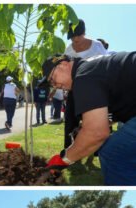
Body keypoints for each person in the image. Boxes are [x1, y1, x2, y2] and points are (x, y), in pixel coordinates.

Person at [42, 52, 136, 185]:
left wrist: (64, 159)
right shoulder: (90, 67)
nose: (55, 86)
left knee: (113, 153)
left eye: (52, 79)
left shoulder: (83, 76)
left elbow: (96, 133)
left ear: (62, 65)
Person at [63, 19, 108, 150]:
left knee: (95, 122)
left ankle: (97, 149)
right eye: (72, 37)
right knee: (70, 120)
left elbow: (105, 66)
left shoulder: (97, 46)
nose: (74, 39)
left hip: (94, 91)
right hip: (75, 90)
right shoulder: (69, 50)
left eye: (77, 35)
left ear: (84, 33)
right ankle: (68, 149)